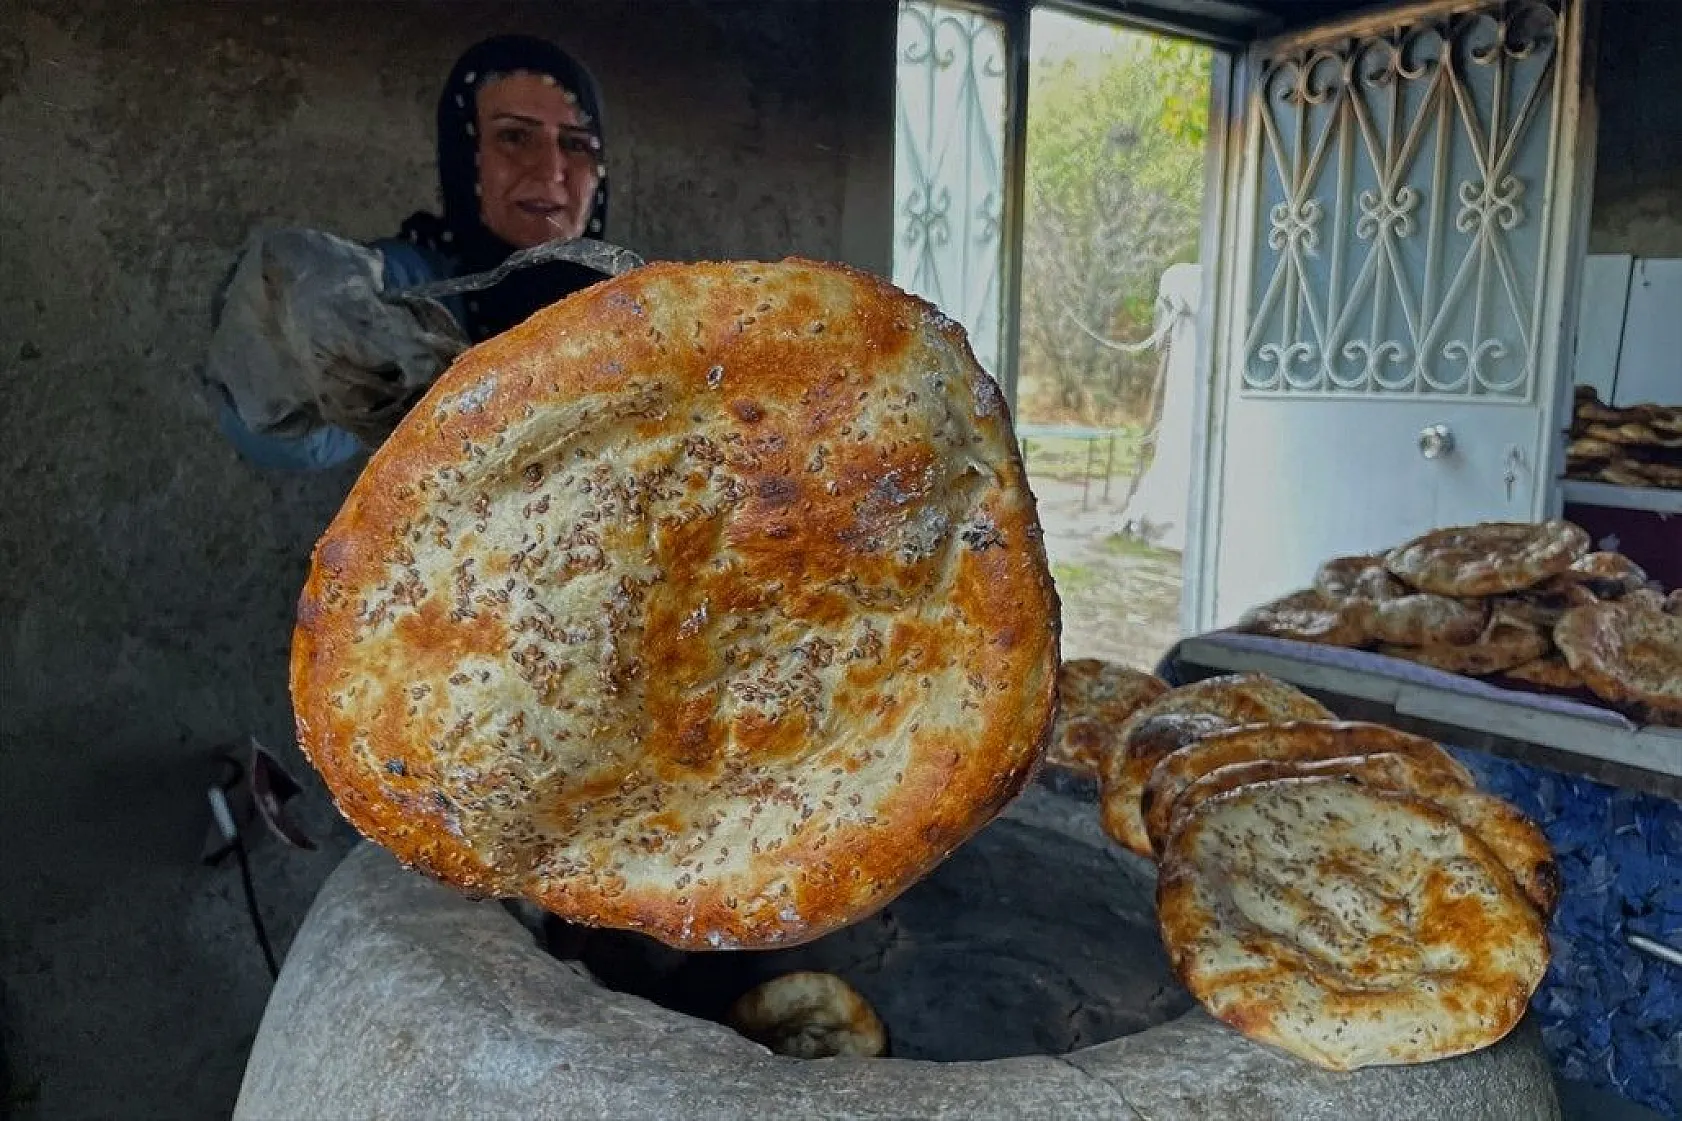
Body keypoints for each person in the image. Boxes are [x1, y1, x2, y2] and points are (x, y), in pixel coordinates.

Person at [205, 34, 614, 471]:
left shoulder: (626, 304)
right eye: (515, 137)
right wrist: (287, 332)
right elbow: (298, 439)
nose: (552, 170)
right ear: (466, 155)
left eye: (575, 144)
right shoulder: (419, 288)